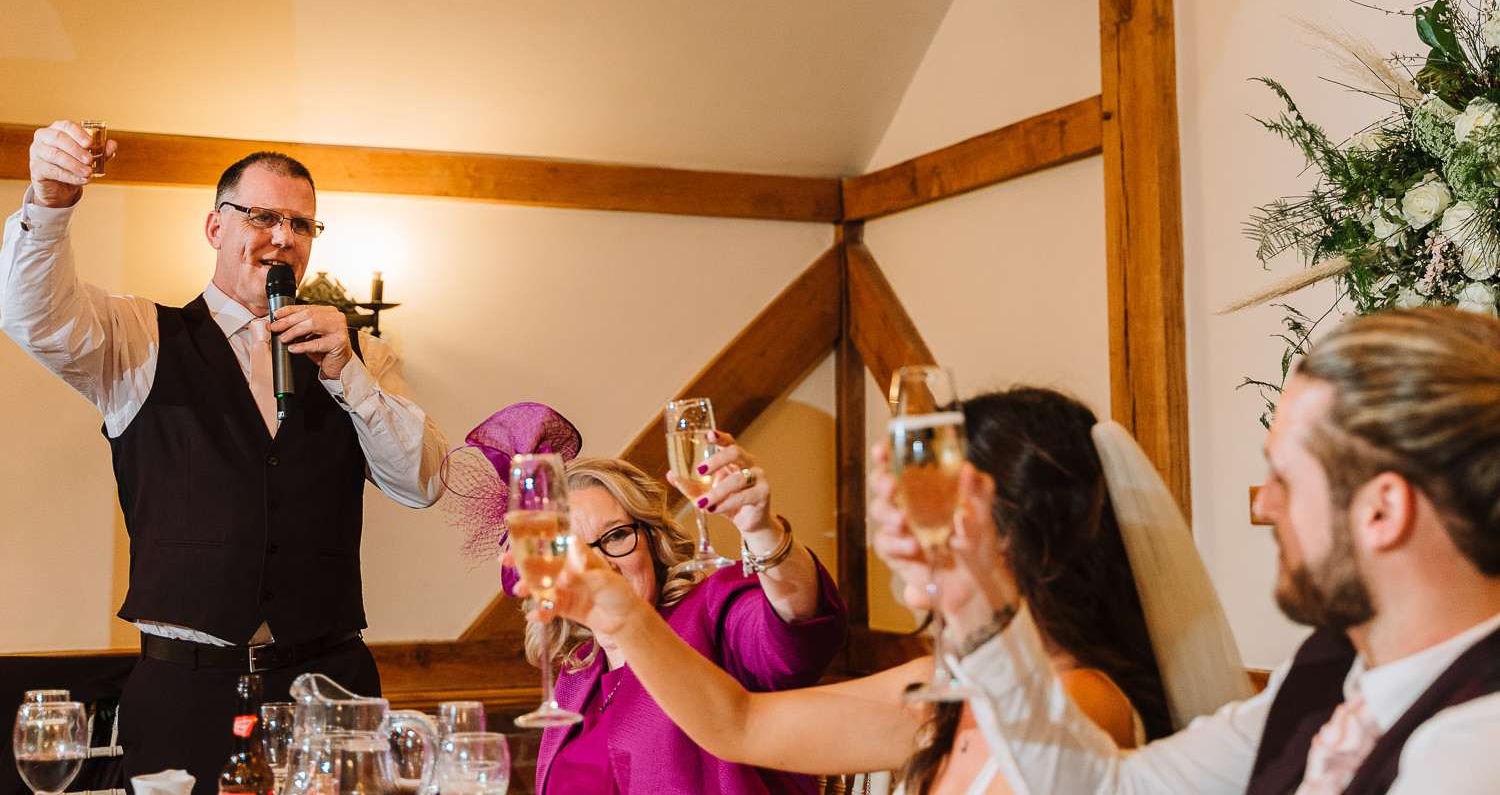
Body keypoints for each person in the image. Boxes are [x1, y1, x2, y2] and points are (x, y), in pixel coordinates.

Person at [0, 122, 450, 795]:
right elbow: (31, 313)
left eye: (302, 224)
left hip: (329, 688)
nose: (282, 237)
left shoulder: (359, 357)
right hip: (184, 690)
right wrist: (50, 200)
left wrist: (346, 371)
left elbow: (422, 482)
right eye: (262, 216)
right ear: (215, 228)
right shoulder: (139, 337)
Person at [895, 307, 1500, 795]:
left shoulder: (1475, 748)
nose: (1264, 506)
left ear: (1382, 512)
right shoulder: (1325, 673)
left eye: (1285, 479)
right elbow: (1107, 787)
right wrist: (976, 598)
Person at [540, 388, 1250, 795]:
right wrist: (618, 614)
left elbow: (782, 644)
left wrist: (760, 532)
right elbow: (740, 726)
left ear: (1002, 532)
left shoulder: (1081, 704)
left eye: (926, 502)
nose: (895, 524)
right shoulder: (943, 688)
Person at [516, 443, 848, 795]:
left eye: (616, 536)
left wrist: (762, 531)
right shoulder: (577, 674)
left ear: (652, 540)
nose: (601, 565)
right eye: (573, 550)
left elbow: (797, 634)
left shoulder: (710, 612)